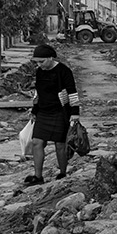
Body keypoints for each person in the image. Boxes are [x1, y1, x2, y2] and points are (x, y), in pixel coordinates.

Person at [26, 43, 80, 185]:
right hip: (44, 111)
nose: (39, 65)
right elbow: (38, 93)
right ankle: (38, 177)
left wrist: (75, 113)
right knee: (37, 142)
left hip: (60, 112)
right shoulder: (40, 72)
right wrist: (34, 110)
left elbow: (72, 92)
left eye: (41, 61)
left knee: (59, 145)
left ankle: (63, 173)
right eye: (36, 62)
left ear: (50, 58)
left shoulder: (64, 71)